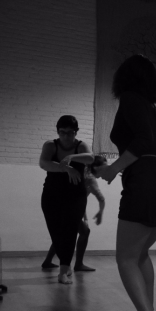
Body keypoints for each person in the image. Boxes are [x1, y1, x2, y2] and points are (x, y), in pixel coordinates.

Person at [94, 54, 156, 311]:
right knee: (140, 254)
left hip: (145, 185)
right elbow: (146, 146)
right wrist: (116, 167)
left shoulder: (130, 99)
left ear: (125, 77)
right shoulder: (150, 107)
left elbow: (142, 142)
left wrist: (112, 169)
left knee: (126, 258)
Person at [39, 115, 95, 284]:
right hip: (52, 195)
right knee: (56, 232)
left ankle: (63, 271)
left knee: (70, 231)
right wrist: (67, 169)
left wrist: (72, 158)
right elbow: (44, 163)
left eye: (70, 133)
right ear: (58, 132)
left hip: (75, 196)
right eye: (62, 132)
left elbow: (90, 158)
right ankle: (66, 265)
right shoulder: (50, 145)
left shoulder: (80, 146)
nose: (66, 136)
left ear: (76, 132)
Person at [42, 156, 107, 272]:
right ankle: (78, 264)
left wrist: (85, 218)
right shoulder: (90, 179)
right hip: (68, 209)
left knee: (62, 235)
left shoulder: (83, 174)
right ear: (96, 167)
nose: (105, 171)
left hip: (61, 207)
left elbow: (80, 201)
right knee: (83, 232)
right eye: (104, 168)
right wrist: (100, 213)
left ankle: (48, 261)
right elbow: (101, 198)